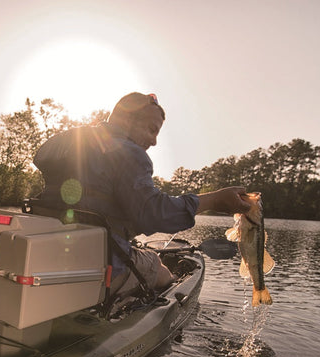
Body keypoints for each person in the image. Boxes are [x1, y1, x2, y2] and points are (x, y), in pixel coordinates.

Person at [30, 92, 253, 299]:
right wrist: (214, 200)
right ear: (127, 121)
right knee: (162, 271)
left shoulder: (68, 145)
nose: (154, 141)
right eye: (151, 129)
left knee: (140, 254)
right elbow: (154, 213)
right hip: (98, 264)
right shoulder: (130, 153)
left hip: (51, 254)